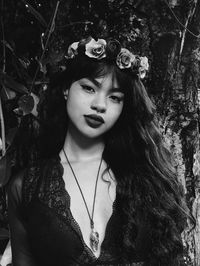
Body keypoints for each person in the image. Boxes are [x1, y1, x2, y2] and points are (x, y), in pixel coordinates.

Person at [7, 36, 189, 266]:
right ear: (66, 89)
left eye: (114, 97)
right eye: (88, 88)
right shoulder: (25, 187)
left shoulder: (151, 183)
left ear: (124, 106)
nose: (99, 104)